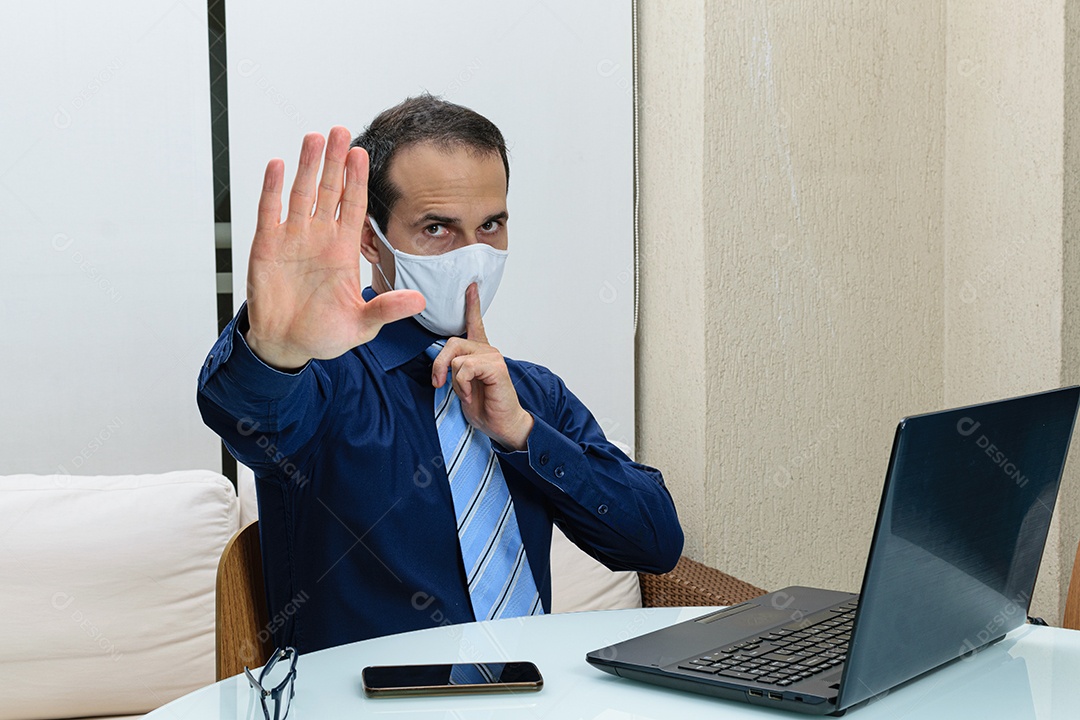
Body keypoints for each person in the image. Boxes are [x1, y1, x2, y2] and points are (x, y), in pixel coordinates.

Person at [198, 95, 683, 654]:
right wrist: (272, 350)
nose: (474, 254)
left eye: (491, 224)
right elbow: (248, 414)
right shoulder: (324, 380)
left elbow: (656, 544)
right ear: (368, 237)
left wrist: (524, 434)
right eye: (437, 227)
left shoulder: (531, 393)